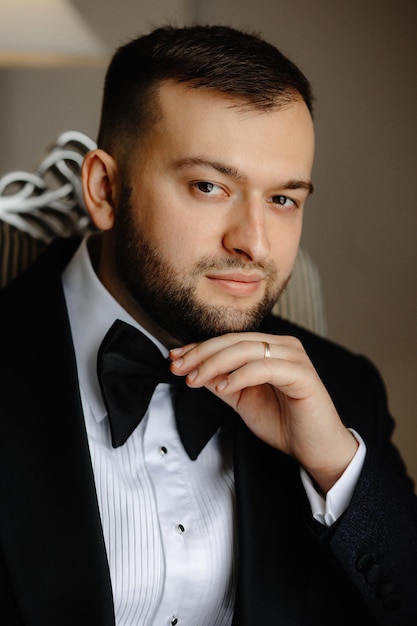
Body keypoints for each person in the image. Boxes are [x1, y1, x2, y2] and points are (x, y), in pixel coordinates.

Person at [0, 24, 416, 626]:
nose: (253, 242)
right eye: (209, 186)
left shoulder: (343, 395)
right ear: (105, 188)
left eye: (283, 200)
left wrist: (334, 467)